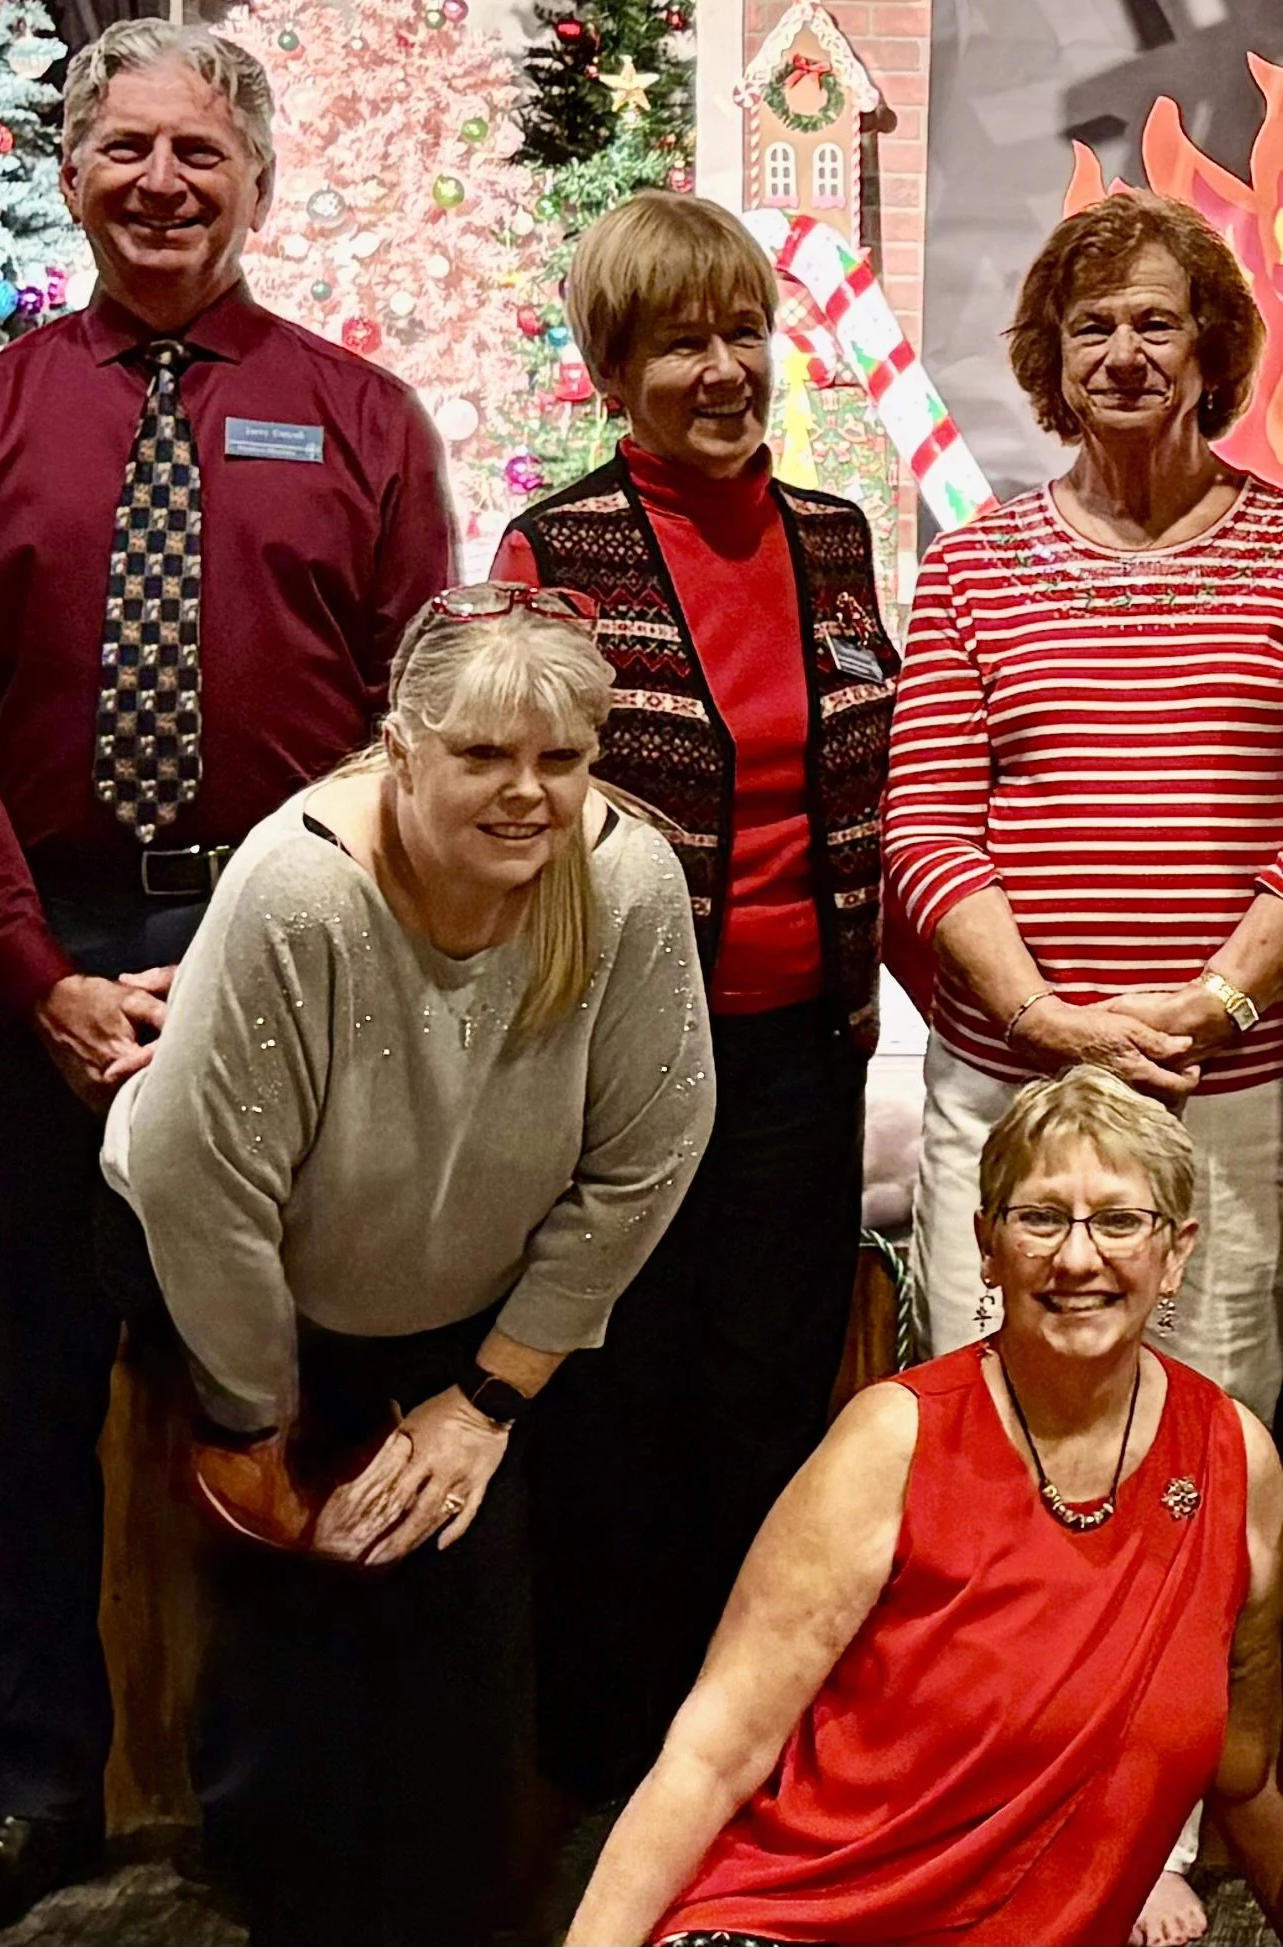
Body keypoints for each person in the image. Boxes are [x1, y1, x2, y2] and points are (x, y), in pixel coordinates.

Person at [0, 20, 454, 1938]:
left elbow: (420, 728)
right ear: (71, 172)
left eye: (200, 152)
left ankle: (279, 1803)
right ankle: (28, 1785)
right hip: (24, 968)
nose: (162, 182)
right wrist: (38, 981)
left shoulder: (359, 417)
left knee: (274, 1386)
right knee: (10, 1397)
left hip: (288, 962)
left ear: (256, 178)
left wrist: (271, 946)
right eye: (128, 149)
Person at [98, 585, 715, 1946]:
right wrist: (251, 1419)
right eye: (483, 754)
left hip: (465, 1302)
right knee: (288, 1660)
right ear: (399, 747)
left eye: (559, 758)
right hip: (249, 1286)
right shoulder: (298, 890)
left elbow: (648, 1153)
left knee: (455, 1666)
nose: (526, 792)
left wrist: (487, 1400)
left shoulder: (626, 883)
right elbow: (205, 1191)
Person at [883, 191, 1280, 1942]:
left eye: (1154, 320)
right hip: (1007, 1092)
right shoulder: (978, 563)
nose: (1122, 352)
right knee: (999, 1443)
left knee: (1199, 1444)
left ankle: (1159, 1825)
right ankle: (1009, 1795)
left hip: (1228, 1099)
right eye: (1087, 327)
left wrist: (1205, 1007)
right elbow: (922, 827)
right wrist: (1050, 1019)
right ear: (1047, 361)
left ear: (1211, 348)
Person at [491, 188, 896, 1802]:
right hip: (621, 1070)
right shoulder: (558, 551)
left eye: (742, 330)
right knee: (620, 1406)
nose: (724, 368)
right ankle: (612, 1770)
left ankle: (752, 1749)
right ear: (611, 372)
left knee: (765, 1407)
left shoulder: (833, 538)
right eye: (678, 343)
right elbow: (507, 805)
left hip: (805, 1057)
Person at [566, 1065, 1283, 1947]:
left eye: (1120, 1220)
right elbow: (714, 1752)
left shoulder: (1232, 1459)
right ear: (986, 1244)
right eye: (1040, 1217)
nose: (1077, 1257)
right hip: (800, 1924)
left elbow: (1244, 1771)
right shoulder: (895, 1439)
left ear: (1176, 1252)